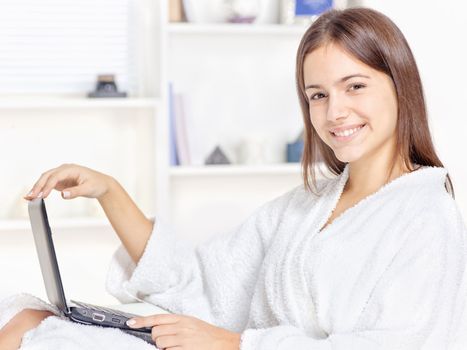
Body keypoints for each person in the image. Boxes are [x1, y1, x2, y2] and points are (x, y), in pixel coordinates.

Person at [1, 6, 466, 350]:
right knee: (28, 317)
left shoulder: (425, 215)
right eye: (317, 95)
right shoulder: (308, 205)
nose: (335, 112)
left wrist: (234, 345)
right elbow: (201, 284)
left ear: (400, 85)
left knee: (37, 334)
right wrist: (110, 192)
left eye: (355, 86)